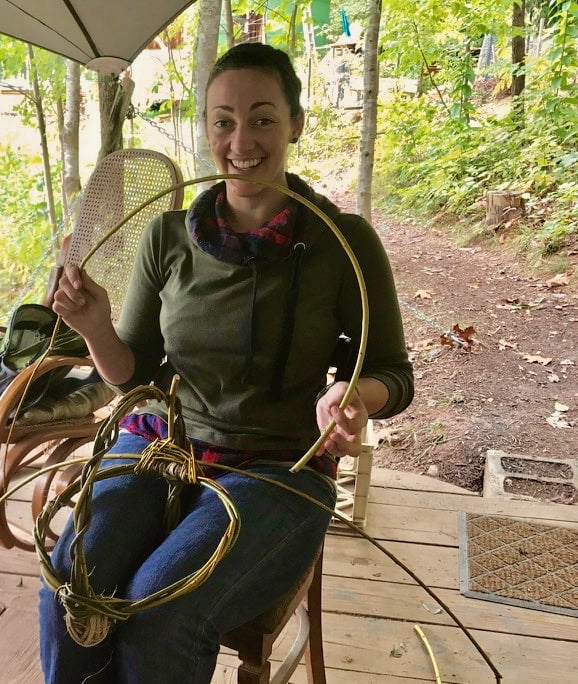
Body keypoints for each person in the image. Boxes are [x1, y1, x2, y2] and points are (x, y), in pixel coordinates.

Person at [40, 42, 414, 683]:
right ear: (205, 127)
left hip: (280, 470)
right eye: (223, 120)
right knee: (69, 590)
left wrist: (355, 401)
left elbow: (391, 373)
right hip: (163, 445)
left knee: (161, 610)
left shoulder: (343, 243)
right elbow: (133, 375)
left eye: (263, 118)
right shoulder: (168, 237)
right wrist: (94, 325)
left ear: (295, 123)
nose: (242, 140)